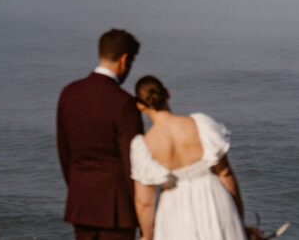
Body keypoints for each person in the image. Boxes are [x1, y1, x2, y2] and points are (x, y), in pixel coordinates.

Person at [130, 75, 246, 240]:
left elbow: (144, 201)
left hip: (174, 209)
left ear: (140, 106)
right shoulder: (201, 124)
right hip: (213, 200)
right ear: (167, 93)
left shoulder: (143, 146)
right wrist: (238, 219)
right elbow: (225, 173)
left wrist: (147, 235)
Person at [57, 29, 144, 240]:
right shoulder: (124, 103)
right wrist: (143, 214)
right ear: (124, 60)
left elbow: (64, 152)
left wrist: (78, 188)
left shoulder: (69, 93)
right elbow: (133, 164)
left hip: (81, 202)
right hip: (117, 210)